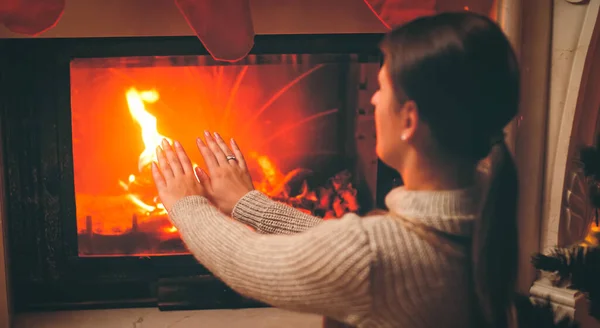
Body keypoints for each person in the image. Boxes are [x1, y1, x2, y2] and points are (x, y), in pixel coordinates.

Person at [150, 11, 520, 328]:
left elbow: (245, 260)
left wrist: (187, 203)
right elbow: (358, 251)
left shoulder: (378, 257)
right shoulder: (481, 215)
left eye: (382, 87)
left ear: (409, 119)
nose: (373, 99)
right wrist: (251, 205)